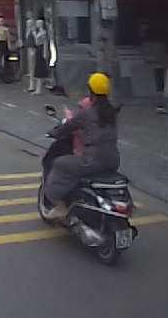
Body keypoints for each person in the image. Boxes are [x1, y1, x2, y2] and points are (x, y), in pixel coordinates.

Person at [42, 72, 120, 219]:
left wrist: (53, 133)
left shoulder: (88, 112)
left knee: (59, 164)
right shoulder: (112, 112)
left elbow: (68, 127)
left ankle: (60, 204)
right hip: (113, 160)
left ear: (90, 90)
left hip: (92, 160)